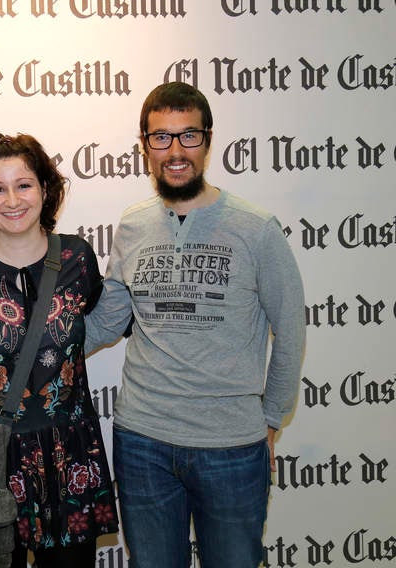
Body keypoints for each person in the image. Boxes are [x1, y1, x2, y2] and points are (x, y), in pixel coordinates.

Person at [85, 81, 306, 568]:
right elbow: (107, 321)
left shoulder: (256, 228)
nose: (176, 151)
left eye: (189, 135)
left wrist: (271, 419)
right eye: (161, 137)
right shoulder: (133, 224)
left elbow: (290, 328)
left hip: (231, 446)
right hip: (142, 442)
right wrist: (29, 339)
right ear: (144, 145)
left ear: (207, 140)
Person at [0, 133, 119, 568]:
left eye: (25, 184)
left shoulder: (77, 257)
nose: (12, 199)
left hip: (68, 455)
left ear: (46, 190)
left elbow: (90, 321)